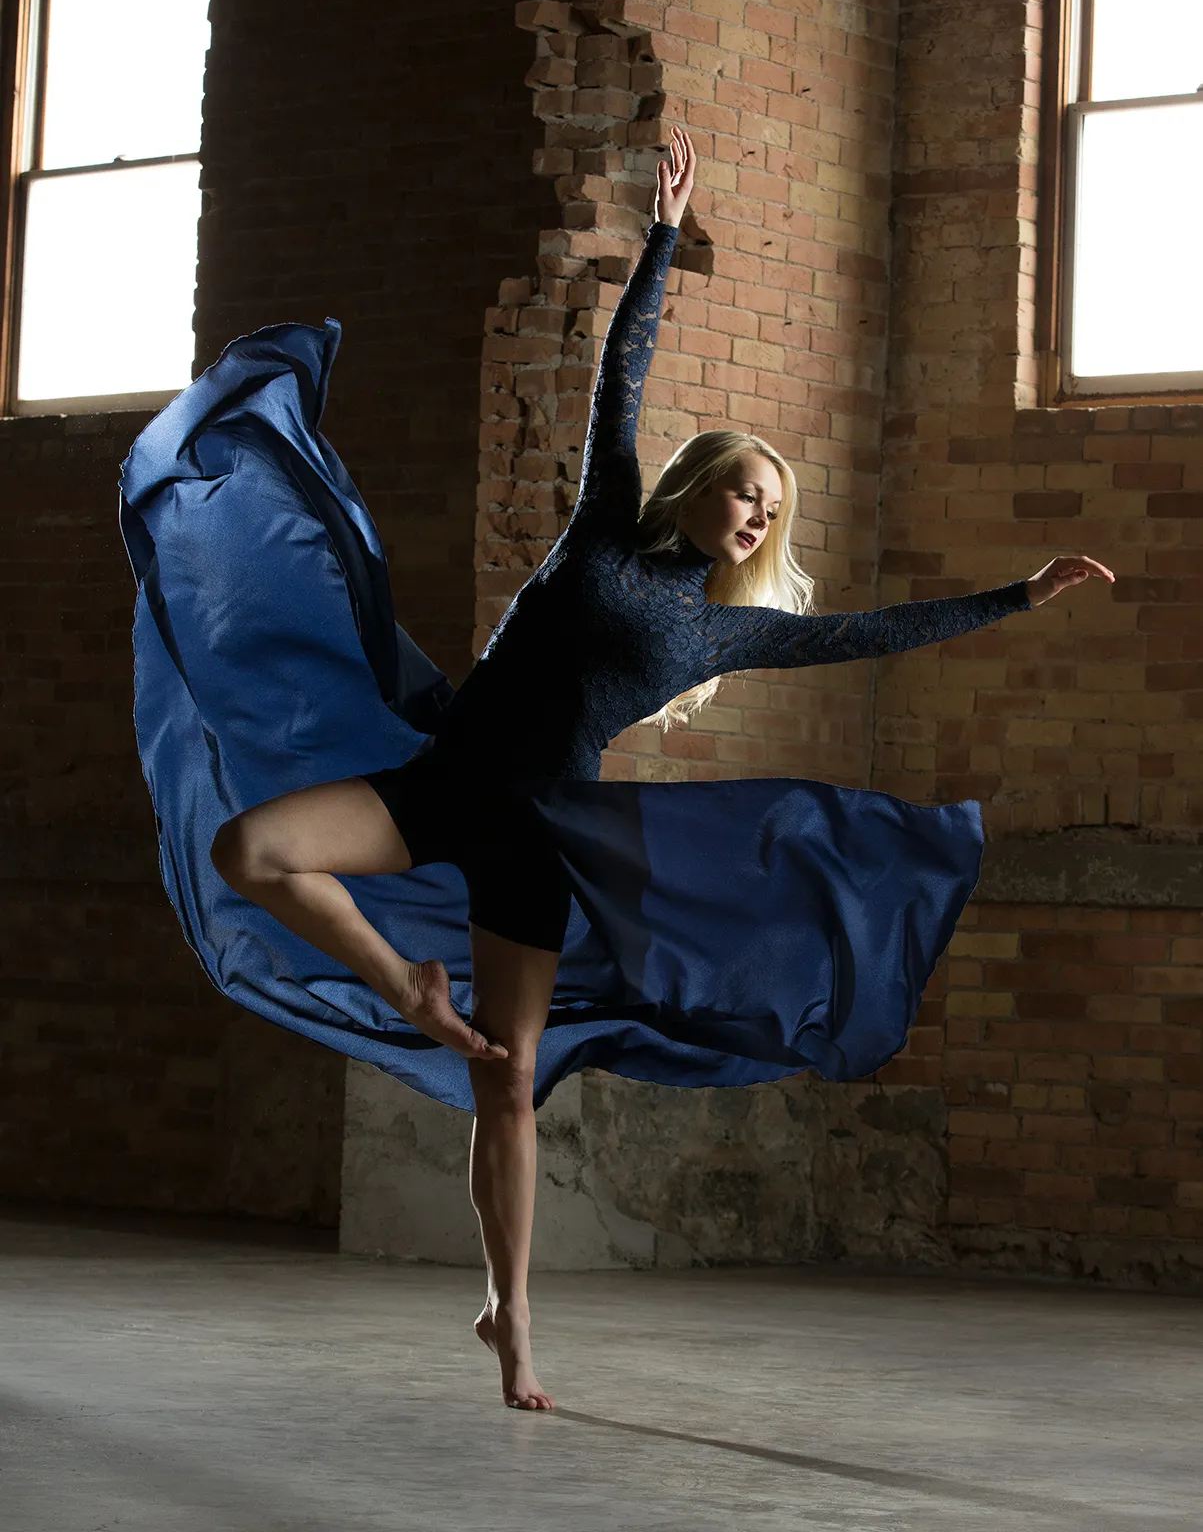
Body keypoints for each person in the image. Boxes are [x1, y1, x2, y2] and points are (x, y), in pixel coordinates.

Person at [122, 127, 1113, 1411]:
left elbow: (870, 633)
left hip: (540, 838)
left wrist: (1017, 596)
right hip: (441, 785)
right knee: (250, 848)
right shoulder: (600, 530)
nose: (756, 517)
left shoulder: (725, 631)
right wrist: (661, 238)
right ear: (697, 486)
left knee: (508, 1081)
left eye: (771, 512)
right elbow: (620, 377)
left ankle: (511, 1315)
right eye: (745, 492)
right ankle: (409, 982)